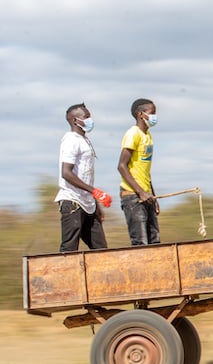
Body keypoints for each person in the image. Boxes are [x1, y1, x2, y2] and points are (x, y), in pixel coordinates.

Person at [55, 102, 111, 252]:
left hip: (88, 203)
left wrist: (95, 203)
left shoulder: (84, 140)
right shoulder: (71, 140)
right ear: (75, 120)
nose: (90, 120)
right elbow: (66, 173)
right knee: (69, 248)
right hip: (72, 202)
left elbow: (85, 176)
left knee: (101, 249)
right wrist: (95, 191)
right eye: (86, 117)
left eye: (90, 116)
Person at [117, 98, 160, 245]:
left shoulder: (148, 136)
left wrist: (153, 196)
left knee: (155, 241)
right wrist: (140, 192)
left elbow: (145, 171)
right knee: (140, 242)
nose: (155, 116)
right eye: (152, 113)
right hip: (133, 196)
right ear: (141, 114)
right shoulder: (133, 133)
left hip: (146, 195)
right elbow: (122, 166)